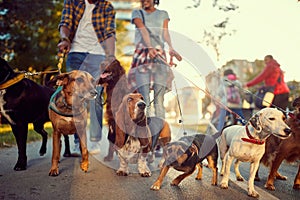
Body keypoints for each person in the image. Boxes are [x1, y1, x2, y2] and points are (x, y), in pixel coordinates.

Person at [57, 0, 116, 155]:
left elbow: (110, 33)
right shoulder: (73, 2)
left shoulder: (106, 6)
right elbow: (65, 22)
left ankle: (95, 140)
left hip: (98, 55)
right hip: (76, 53)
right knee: (75, 96)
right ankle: (78, 141)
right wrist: (64, 39)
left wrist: (110, 56)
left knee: (95, 95)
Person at [128, 0, 180, 119]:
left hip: (159, 55)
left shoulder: (163, 14)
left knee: (159, 99)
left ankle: (160, 131)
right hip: (142, 54)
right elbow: (143, 30)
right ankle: (147, 131)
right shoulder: (137, 13)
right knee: (144, 97)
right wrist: (149, 47)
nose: (144, 1)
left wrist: (171, 48)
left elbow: (165, 34)